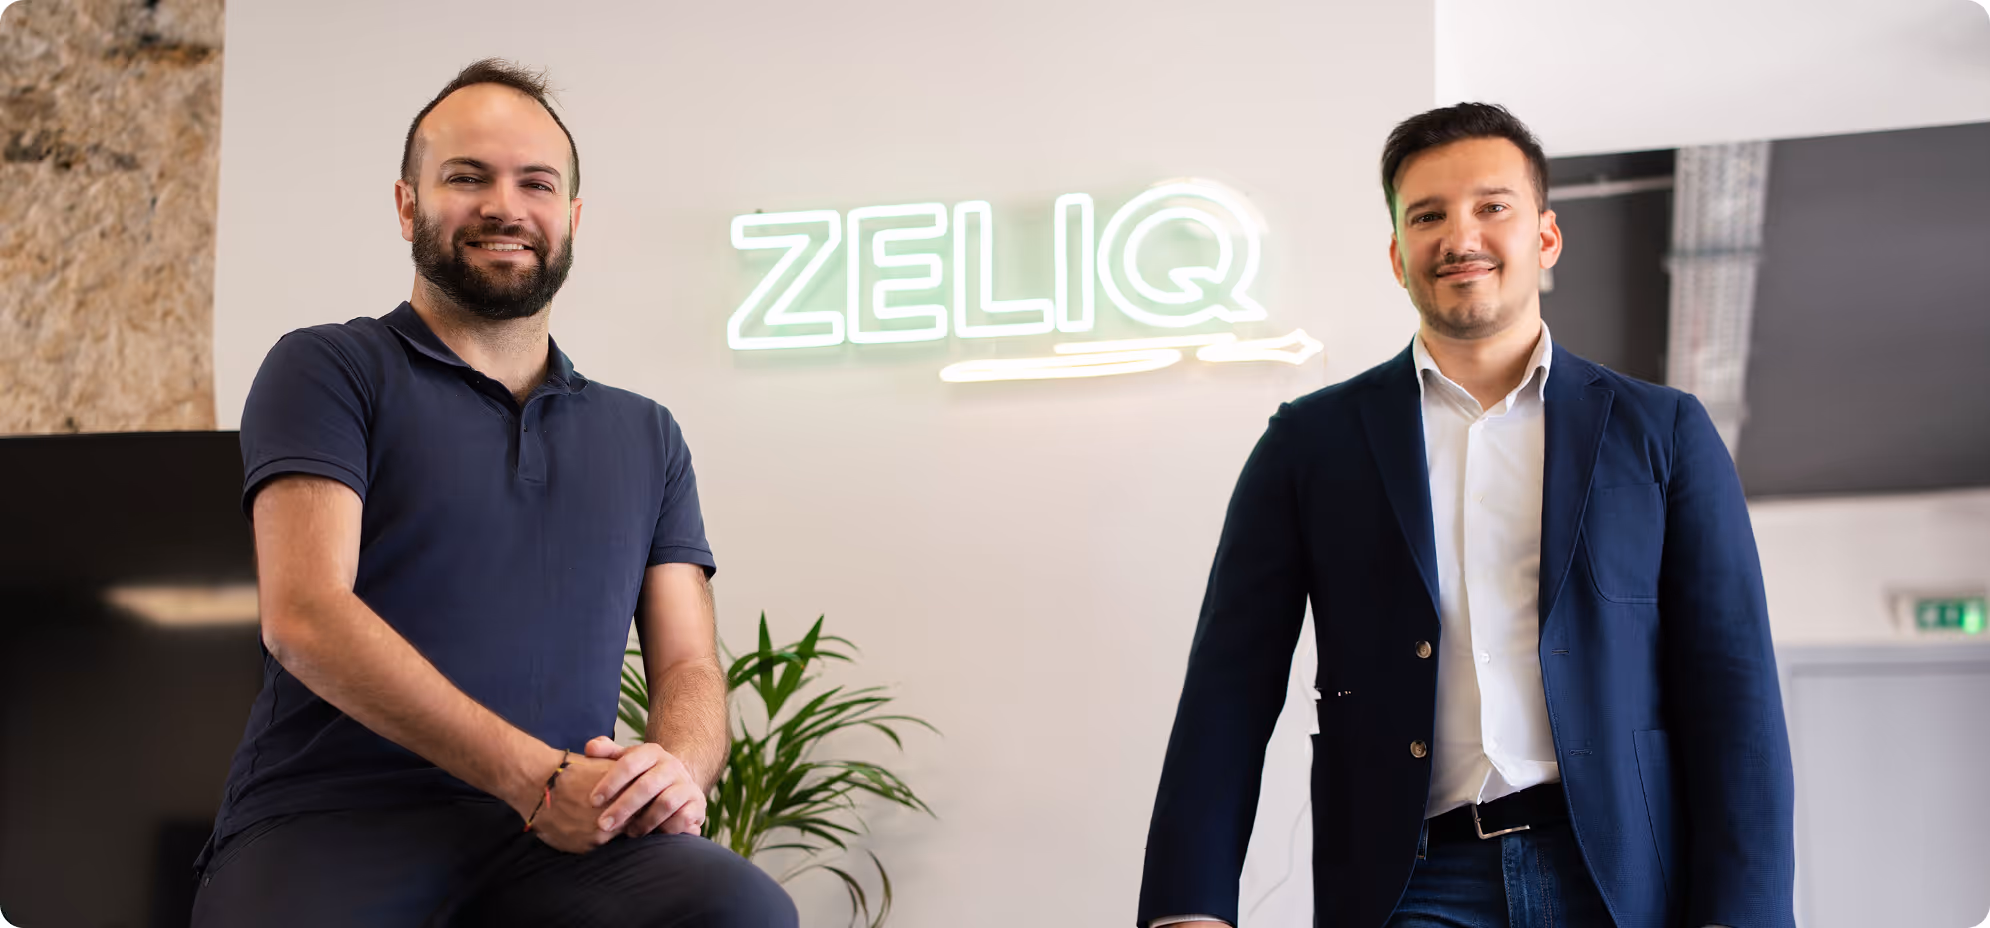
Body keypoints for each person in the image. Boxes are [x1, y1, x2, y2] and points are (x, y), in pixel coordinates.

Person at [1136, 103, 1795, 928]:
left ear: (1546, 237)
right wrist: (1188, 908)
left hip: (1618, 880)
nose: (1460, 237)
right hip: (1411, 887)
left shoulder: (1661, 432)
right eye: (1427, 216)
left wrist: (1746, 914)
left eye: (1492, 206)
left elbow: (1734, 690)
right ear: (1397, 256)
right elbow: (1228, 687)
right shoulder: (1309, 445)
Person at [191, 59, 796, 927]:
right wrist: (535, 779)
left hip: (557, 845)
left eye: (535, 183)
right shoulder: (329, 368)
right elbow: (305, 615)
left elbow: (690, 666)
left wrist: (672, 770)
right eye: (467, 177)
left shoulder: (646, 434)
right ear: (408, 205)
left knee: (739, 907)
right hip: (329, 820)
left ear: (572, 218)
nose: (504, 207)